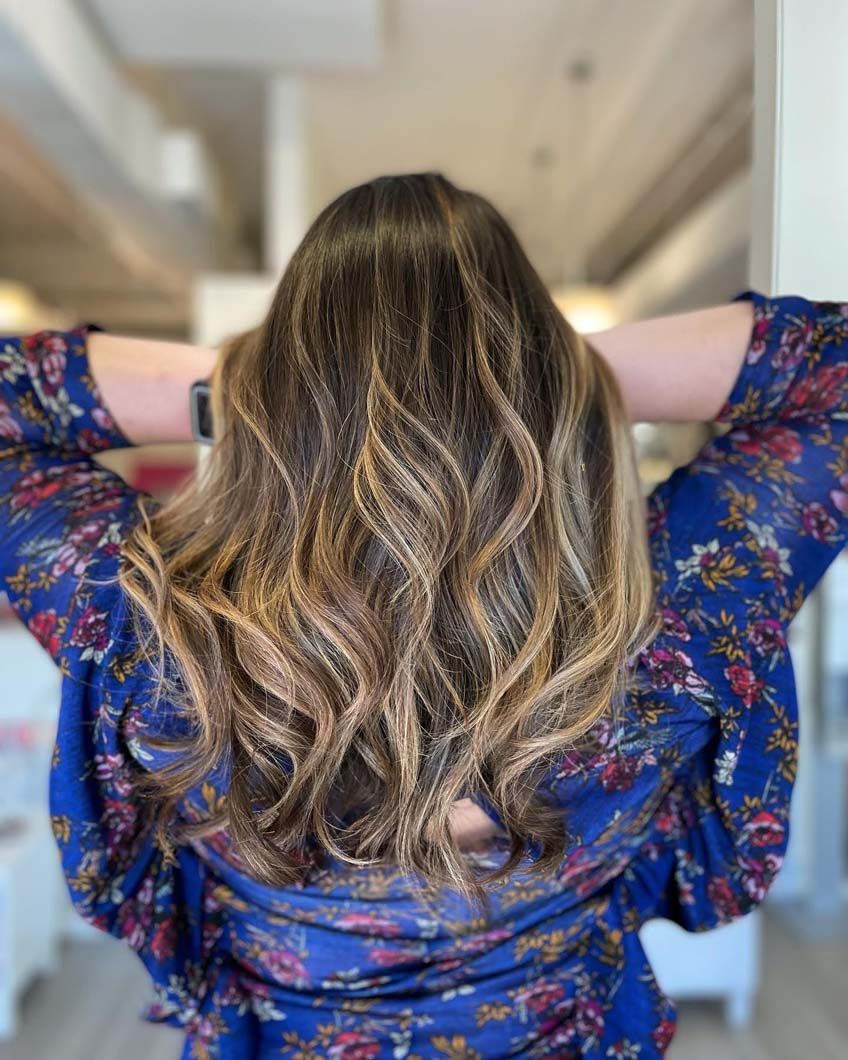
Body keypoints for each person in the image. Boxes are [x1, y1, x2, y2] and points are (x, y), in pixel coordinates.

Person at [1, 172, 846, 1059]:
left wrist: (242, 388)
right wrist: (560, 380)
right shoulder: (676, 618)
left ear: (279, 404)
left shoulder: (158, 636)